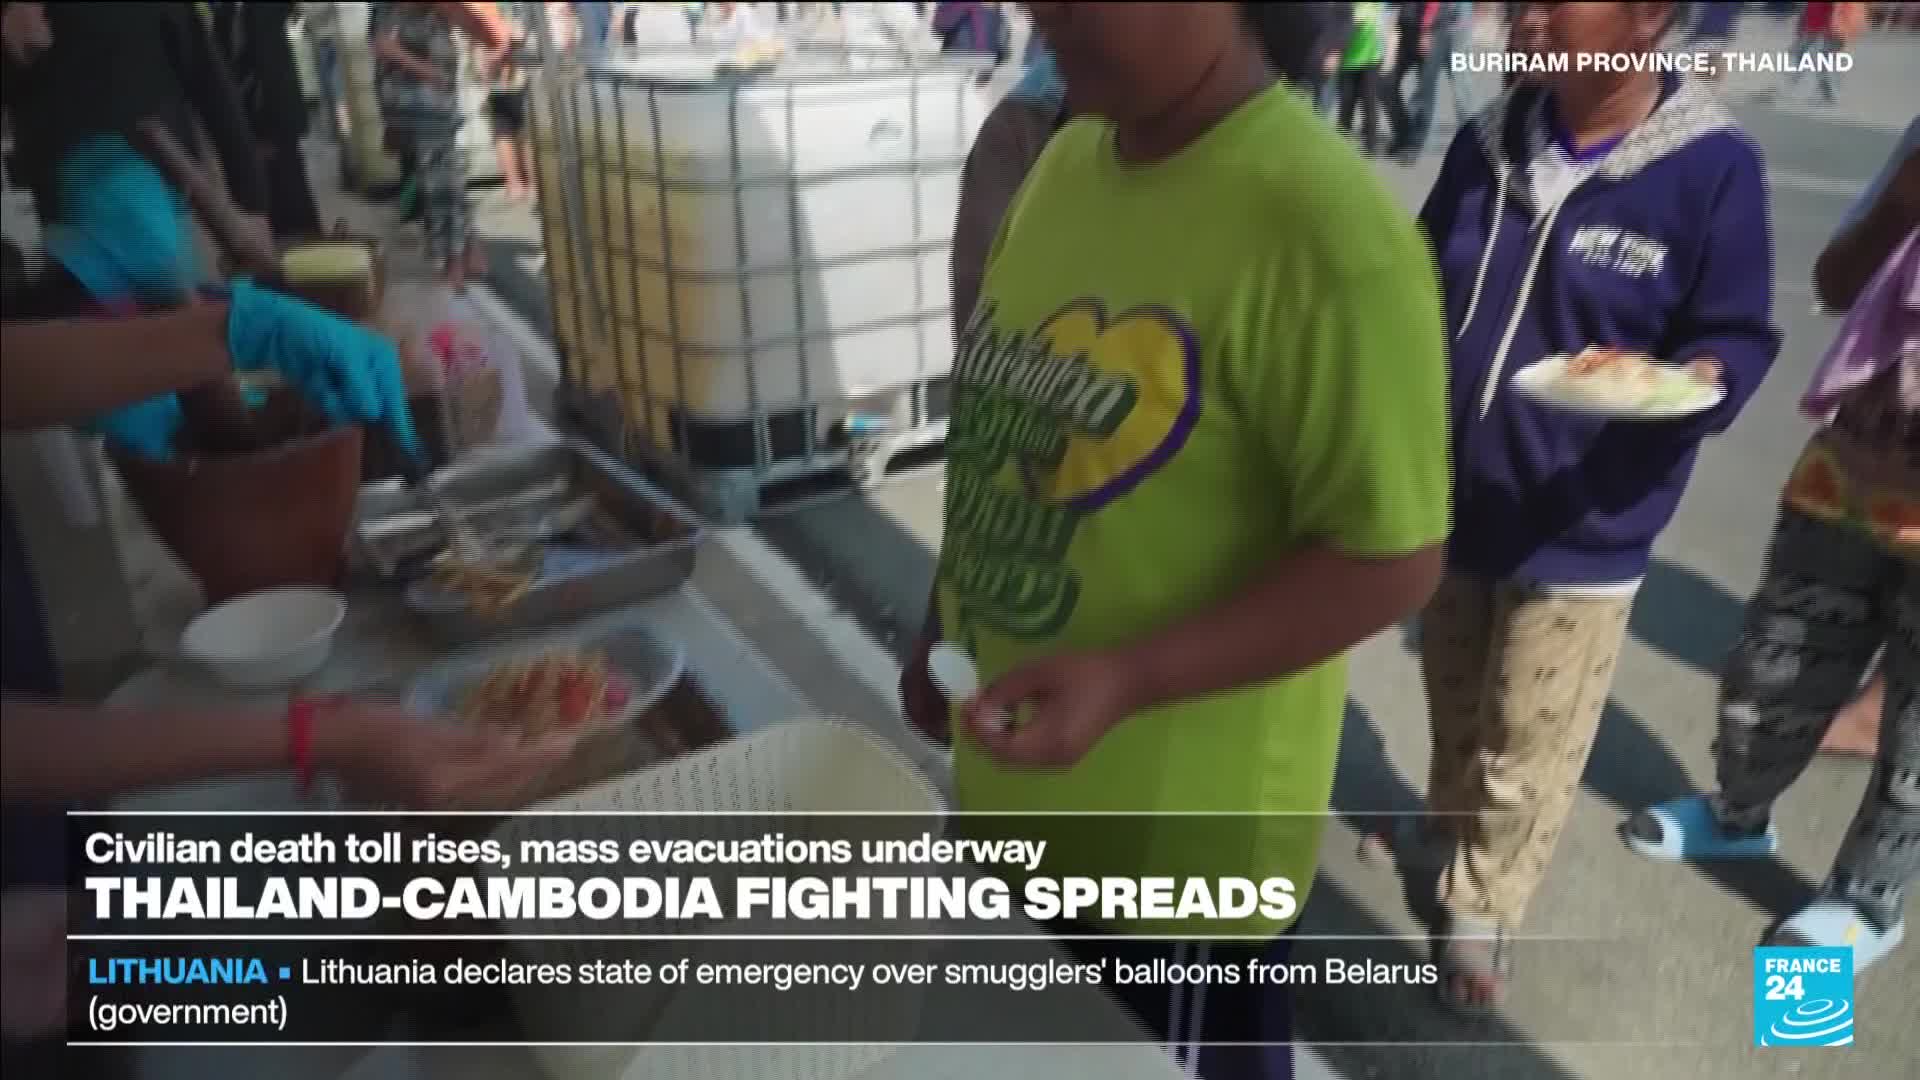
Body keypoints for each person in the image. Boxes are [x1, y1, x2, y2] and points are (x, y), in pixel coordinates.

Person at [909, 4, 1450, 1073]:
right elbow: (1007, 440)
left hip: (1172, 877)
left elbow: (1392, 558)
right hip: (1016, 810)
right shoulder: (1065, 165)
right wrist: (945, 614)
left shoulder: (1329, 235)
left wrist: (1131, 678)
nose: (1042, 15)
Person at [1405, 0, 1780, 1011]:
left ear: (1648, 16)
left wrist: (1703, 375)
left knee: (1529, 732)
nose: (1525, 17)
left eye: (1553, 0)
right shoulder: (1490, 141)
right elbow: (1417, 275)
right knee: (1454, 695)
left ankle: (1485, 899)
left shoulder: (1711, 168)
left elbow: (1737, 334)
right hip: (1452, 498)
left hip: (1585, 520)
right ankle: (1447, 825)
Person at [1624, 118, 1919, 977]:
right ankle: (1737, 814)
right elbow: (1835, 280)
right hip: (1852, 471)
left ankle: (1867, 901)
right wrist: (1901, 205)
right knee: (1772, 668)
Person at [0, 1, 274, 272]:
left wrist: (251, 203)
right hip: (75, 210)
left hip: (160, 196)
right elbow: (212, 87)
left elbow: (211, 86)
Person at [371, 2, 509, 288]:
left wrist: (497, 42)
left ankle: (462, 253)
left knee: (444, 179)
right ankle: (456, 256)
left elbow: (475, 25)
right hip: (416, 99)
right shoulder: (389, 9)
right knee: (439, 181)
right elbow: (383, 45)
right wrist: (424, 69)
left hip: (432, 97)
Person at [210, 1, 325, 238]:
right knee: (262, 191)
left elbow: (268, 65)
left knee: (290, 188)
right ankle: (280, 244)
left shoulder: (265, 9)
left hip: (274, 113)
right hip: (244, 115)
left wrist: (268, 127)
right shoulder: (225, 12)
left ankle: (308, 245)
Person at [1387, 1, 1476, 160]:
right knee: (1425, 87)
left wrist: (1426, 29)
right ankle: (1410, 138)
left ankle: (1473, 140)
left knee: (1459, 88)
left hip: (1454, 28)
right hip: (1435, 26)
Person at [485, 3, 534, 202]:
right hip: (515, 73)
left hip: (493, 74)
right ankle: (532, 184)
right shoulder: (513, 7)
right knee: (526, 132)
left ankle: (513, 185)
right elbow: (515, 35)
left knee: (503, 131)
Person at [1335, 0, 1391, 154]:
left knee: (1369, 102)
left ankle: (1371, 145)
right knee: (1346, 103)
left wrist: (1388, 56)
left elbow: (1384, 25)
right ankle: (1340, 144)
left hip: (1370, 60)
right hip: (1346, 61)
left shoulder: (1373, 5)